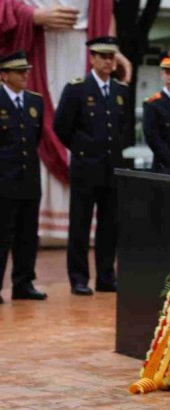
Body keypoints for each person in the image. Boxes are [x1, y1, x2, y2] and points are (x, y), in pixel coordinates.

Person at [0, 0, 132, 243]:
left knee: (87, 123)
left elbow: (104, 10)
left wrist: (113, 50)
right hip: (39, 48)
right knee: (33, 128)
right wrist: (33, 16)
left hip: (82, 50)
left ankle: (83, 232)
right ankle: (36, 228)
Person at [53, 36, 129, 295]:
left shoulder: (120, 91)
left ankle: (106, 277)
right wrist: (81, 149)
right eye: (103, 56)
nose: (108, 61)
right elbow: (60, 126)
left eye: (111, 56)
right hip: (86, 168)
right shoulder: (77, 89)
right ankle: (79, 278)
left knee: (110, 226)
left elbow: (123, 129)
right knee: (81, 225)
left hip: (111, 169)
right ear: (92, 58)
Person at [0, 50, 47, 303]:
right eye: (19, 72)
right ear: (4, 75)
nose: (25, 75)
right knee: (1, 235)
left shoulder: (34, 101)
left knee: (27, 235)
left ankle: (23, 283)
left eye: (26, 71)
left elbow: (35, 137)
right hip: (3, 181)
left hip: (29, 179)